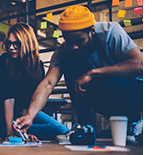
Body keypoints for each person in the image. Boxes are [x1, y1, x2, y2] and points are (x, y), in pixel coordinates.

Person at [13, 5, 143, 141]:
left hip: (137, 93)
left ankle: (135, 121)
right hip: (107, 95)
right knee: (69, 61)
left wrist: (93, 73)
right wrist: (30, 115)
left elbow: (140, 65)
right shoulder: (65, 50)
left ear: (92, 31)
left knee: (111, 80)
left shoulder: (110, 32)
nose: (74, 46)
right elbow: (48, 83)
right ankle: (85, 127)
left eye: (80, 40)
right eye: (68, 41)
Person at [0, 23, 69, 141]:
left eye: (16, 44)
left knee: (63, 130)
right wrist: (9, 133)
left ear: (26, 43)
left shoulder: (37, 65)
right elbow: (8, 99)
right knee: (58, 131)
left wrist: (25, 131)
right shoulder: (5, 61)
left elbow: (29, 100)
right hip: (5, 119)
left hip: (25, 114)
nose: (11, 48)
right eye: (9, 44)